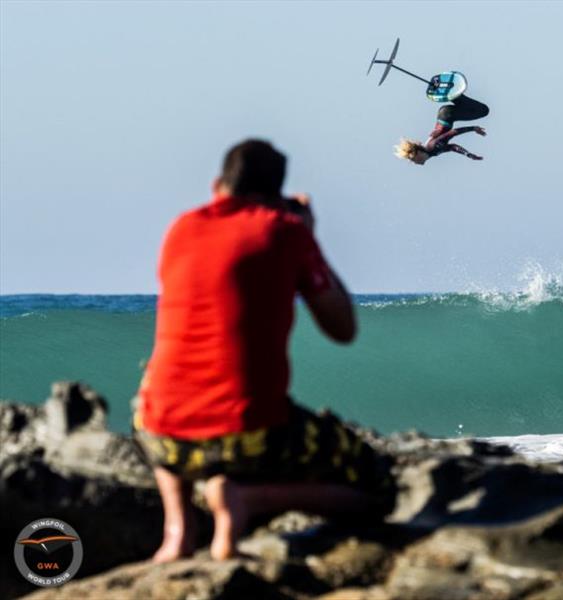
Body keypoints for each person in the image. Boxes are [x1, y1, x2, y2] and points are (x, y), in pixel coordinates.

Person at [134, 139, 395, 562]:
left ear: (218, 184)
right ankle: (246, 500)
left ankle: (177, 530)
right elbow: (342, 328)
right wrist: (307, 236)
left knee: (158, 386)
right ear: (277, 195)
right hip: (250, 435)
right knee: (380, 491)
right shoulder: (283, 230)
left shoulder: (181, 228)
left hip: (160, 435)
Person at [394, 94, 489, 165]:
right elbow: (452, 147)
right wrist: (468, 154)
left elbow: (453, 132)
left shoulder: (432, 147)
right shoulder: (433, 152)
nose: (415, 163)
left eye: (413, 160)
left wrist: (473, 128)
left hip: (448, 114)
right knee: (477, 110)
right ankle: (453, 95)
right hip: (447, 114)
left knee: (483, 111)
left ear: (418, 153)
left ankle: (452, 95)